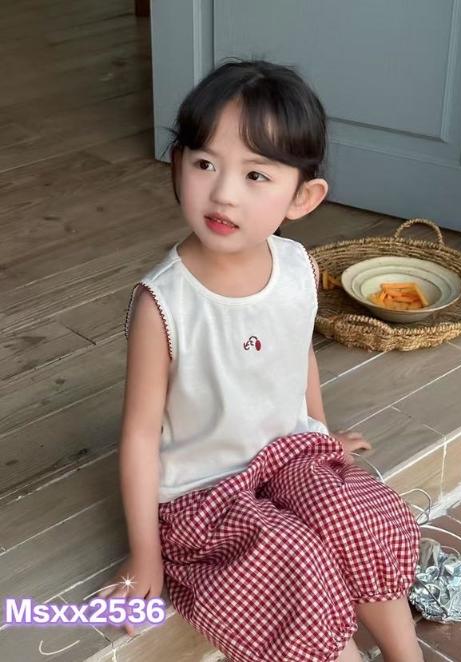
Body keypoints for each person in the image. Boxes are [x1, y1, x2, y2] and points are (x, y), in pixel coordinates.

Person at [98, 58, 422, 661]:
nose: (223, 192)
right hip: (206, 493)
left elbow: (298, 355)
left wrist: (318, 432)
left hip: (285, 455)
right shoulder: (163, 303)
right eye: (205, 164)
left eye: (255, 174)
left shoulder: (297, 266)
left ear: (302, 197)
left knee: (354, 518)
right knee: (295, 564)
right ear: (178, 165)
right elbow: (139, 435)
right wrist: (145, 554)